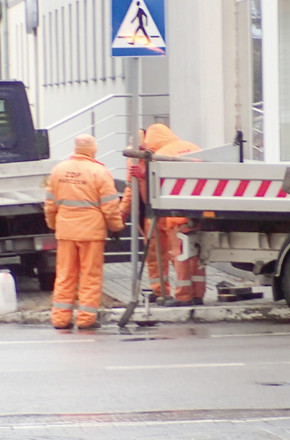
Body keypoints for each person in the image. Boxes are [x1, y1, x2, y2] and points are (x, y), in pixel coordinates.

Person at [45, 134, 124, 330]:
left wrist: (55, 224)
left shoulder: (58, 170)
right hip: (91, 232)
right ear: (93, 149)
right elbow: (110, 206)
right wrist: (116, 227)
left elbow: (49, 205)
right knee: (90, 275)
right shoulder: (100, 172)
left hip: (66, 232)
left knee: (64, 274)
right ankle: (86, 318)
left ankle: (60, 319)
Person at [119, 124, 179, 304]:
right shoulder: (135, 161)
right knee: (154, 254)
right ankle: (160, 291)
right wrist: (122, 212)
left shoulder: (168, 153)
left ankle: (187, 293)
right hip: (150, 213)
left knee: (177, 253)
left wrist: (145, 174)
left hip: (172, 213)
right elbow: (131, 189)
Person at [155, 131, 204, 307]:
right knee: (197, 256)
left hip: (177, 215)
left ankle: (183, 296)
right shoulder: (193, 147)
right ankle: (198, 294)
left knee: (181, 256)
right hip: (199, 212)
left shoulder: (161, 154)